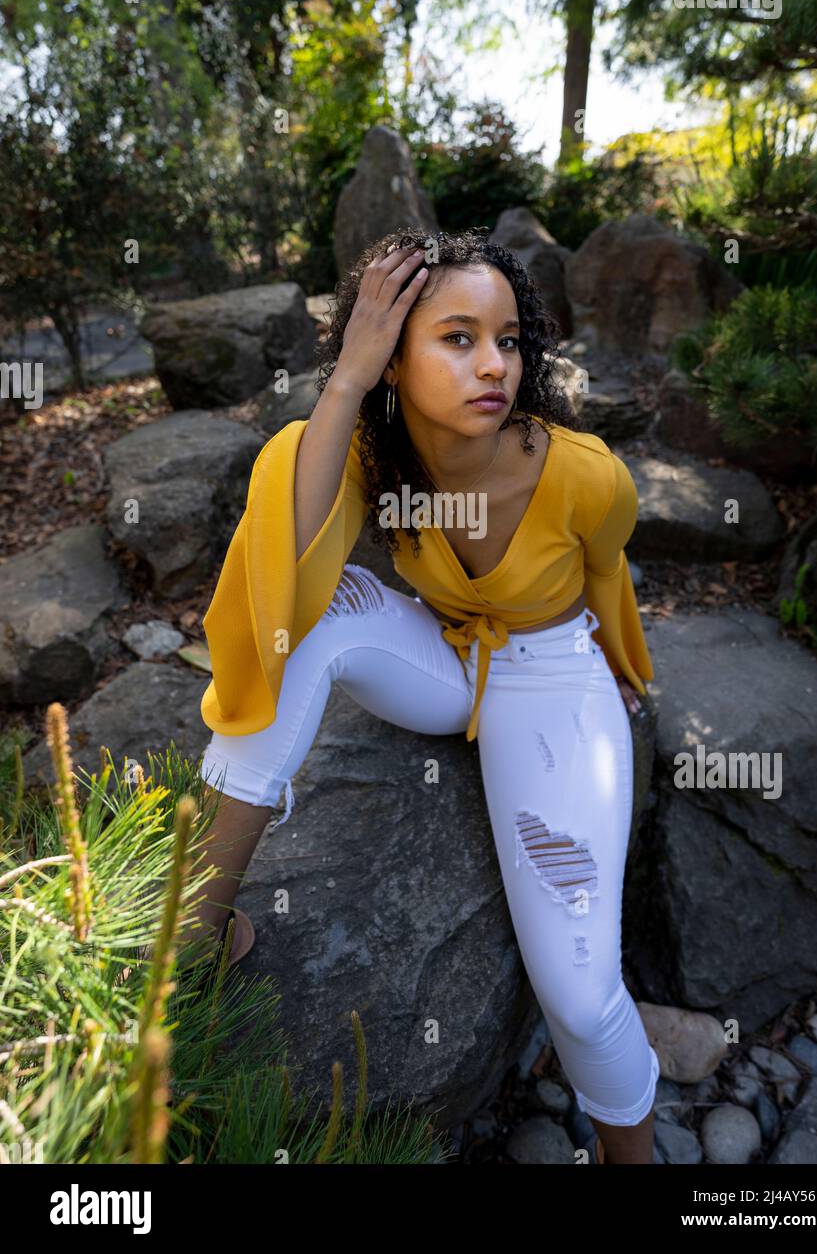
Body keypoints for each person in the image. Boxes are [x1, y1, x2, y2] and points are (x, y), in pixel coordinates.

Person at [193, 228, 659, 1164]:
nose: (494, 364)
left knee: (576, 991)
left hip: (552, 677)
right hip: (444, 657)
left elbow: (610, 574)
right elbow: (280, 558)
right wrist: (347, 378)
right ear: (395, 354)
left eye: (510, 338)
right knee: (300, 625)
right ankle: (192, 933)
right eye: (456, 338)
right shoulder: (376, 447)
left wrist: (623, 669)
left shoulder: (584, 475)